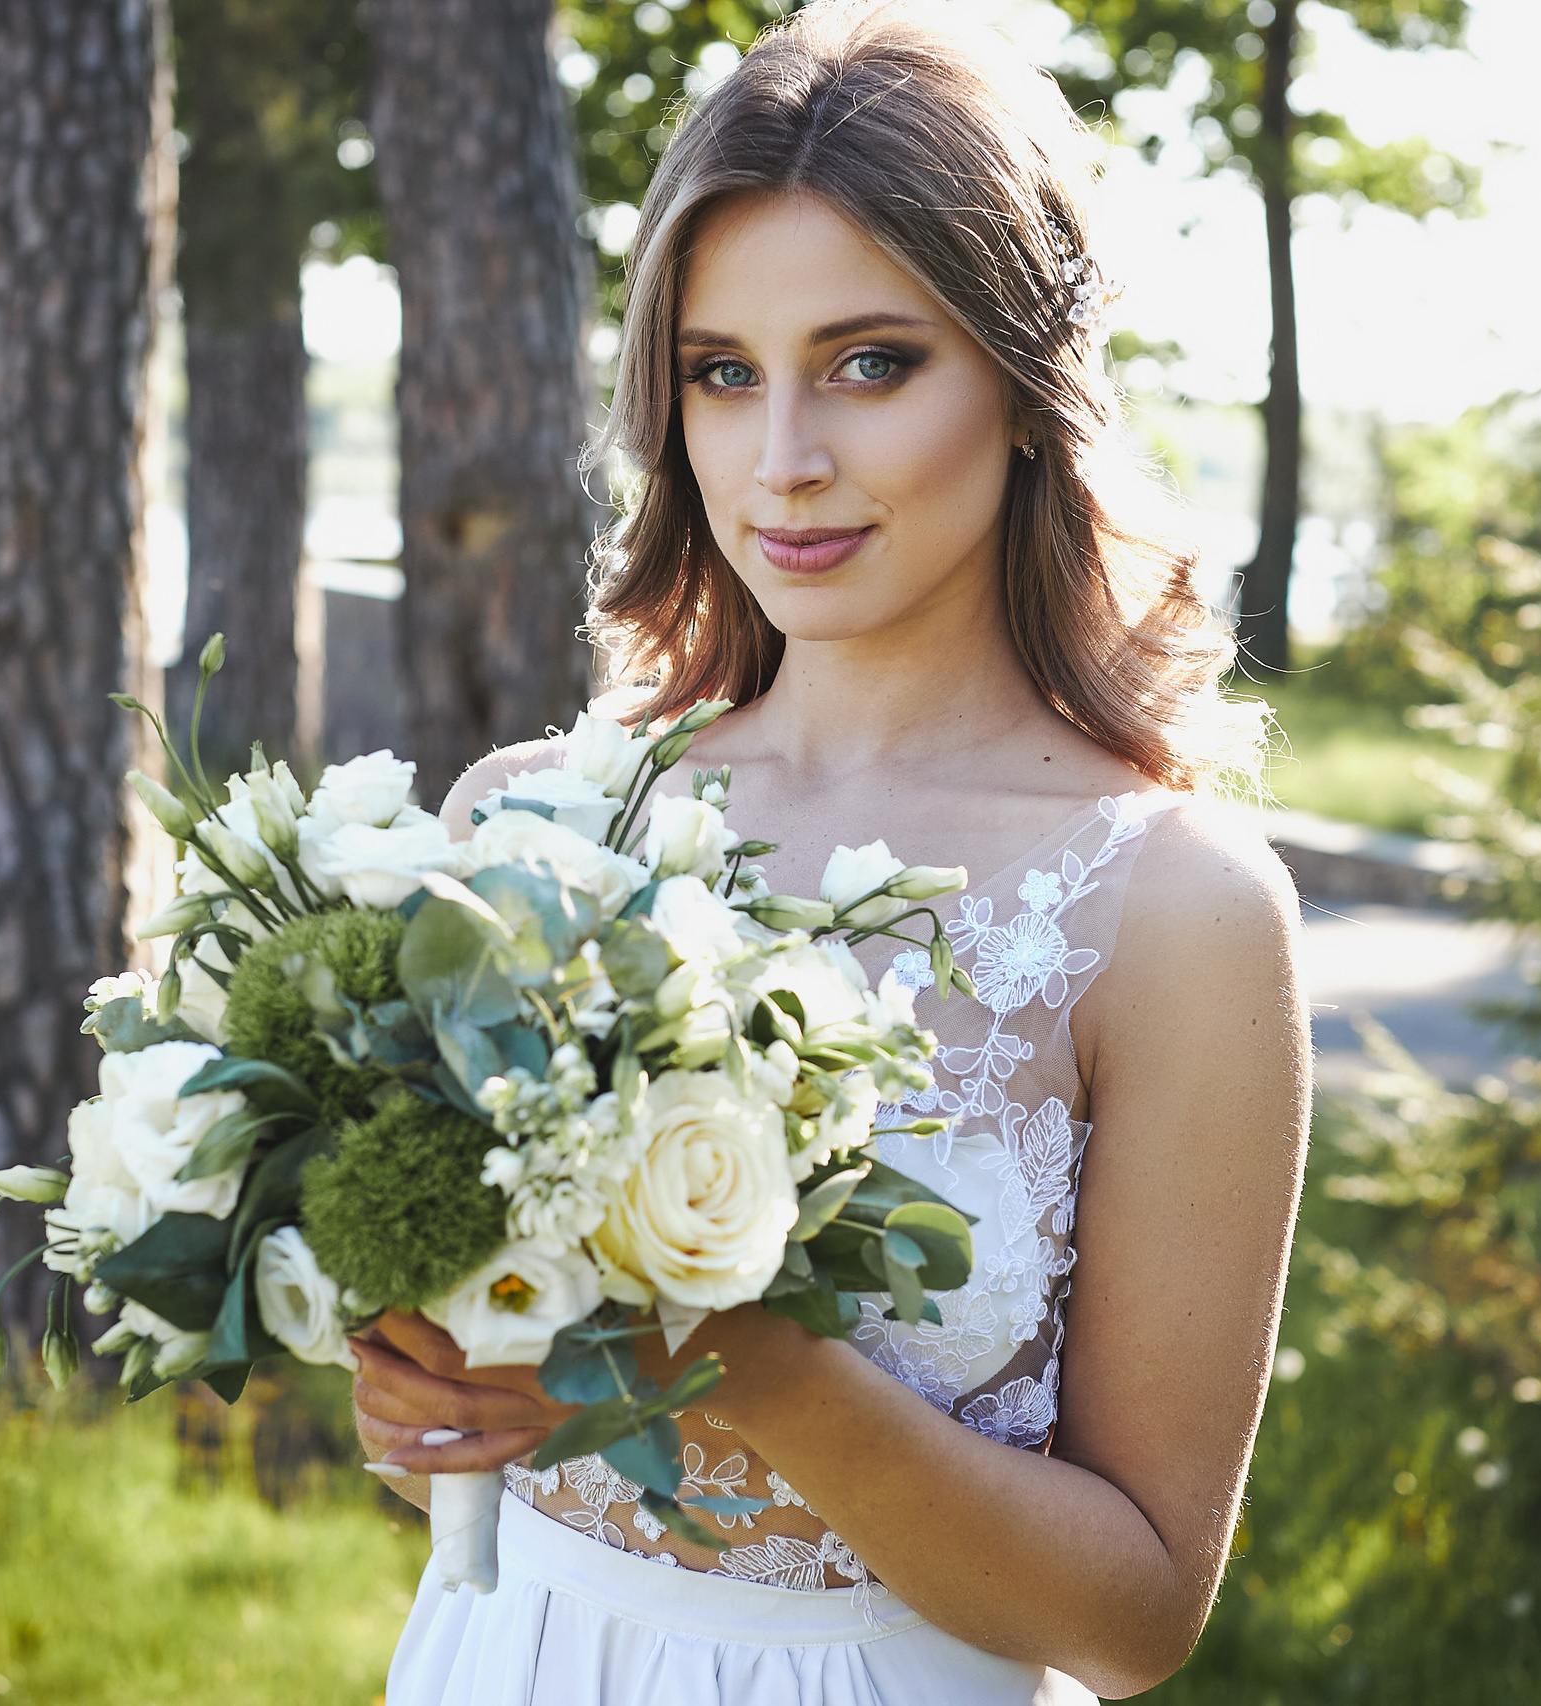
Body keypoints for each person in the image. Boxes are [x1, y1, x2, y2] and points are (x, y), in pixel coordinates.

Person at [351, 4, 1309, 1699]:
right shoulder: (527, 825)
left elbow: (1138, 1616)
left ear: (1025, 385)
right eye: (724, 372)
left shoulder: (1174, 910)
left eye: (871, 363)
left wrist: (757, 1369)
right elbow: (462, 1452)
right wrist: (420, 1404)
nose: (784, 460)